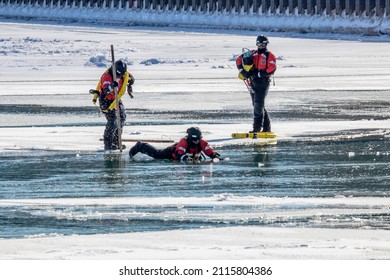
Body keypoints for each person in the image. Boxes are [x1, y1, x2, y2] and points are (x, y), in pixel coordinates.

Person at [236, 35, 277, 133]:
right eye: (259, 44)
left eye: (263, 44)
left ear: (266, 44)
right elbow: (238, 60)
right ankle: (267, 128)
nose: (261, 46)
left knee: (258, 104)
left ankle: (256, 129)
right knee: (257, 105)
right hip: (252, 82)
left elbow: (272, 68)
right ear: (256, 44)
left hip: (263, 83)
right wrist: (242, 71)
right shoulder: (252, 53)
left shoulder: (269, 55)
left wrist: (259, 74)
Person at [92, 60, 135, 151]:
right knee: (113, 121)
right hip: (106, 100)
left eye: (122, 74)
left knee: (122, 119)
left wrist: (131, 81)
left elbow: (130, 78)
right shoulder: (107, 76)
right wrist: (111, 86)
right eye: (118, 74)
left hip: (116, 99)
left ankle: (116, 142)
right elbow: (105, 90)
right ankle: (108, 144)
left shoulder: (123, 73)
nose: (120, 76)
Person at [129, 127, 221, 162]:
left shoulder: (202, 142)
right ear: (189, 137)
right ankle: (140, 146)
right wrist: (185, 158)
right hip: (171, 153)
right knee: (157, 154)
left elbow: (208, 150)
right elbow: (179, 154)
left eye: (198, 139)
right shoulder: (183, 142)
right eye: (194, 139)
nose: (197, 141)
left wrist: (213, 155)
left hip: (189, 158)